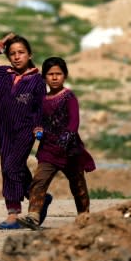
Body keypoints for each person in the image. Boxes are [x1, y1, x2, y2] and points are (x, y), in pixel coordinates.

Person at [18, 57, 96, 230]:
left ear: (65, 76)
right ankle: (33, 216)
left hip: (70, 150)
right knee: (39, 181)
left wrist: (68, 136)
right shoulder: (42, 99)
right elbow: (37, 119)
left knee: (78, 185)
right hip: (48, 150)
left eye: (58, 74)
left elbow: (74, 121)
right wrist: (37, 129)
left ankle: (85, 217)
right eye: (50, 74)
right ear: (44, 77)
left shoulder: (69, 96)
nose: (54, 77)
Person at [0, 32, 46, 230]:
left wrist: (39, 127)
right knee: (11, 166)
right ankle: (39, 198)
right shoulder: (1, 75)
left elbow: (40, 107)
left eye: (21, 52)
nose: (17, 57)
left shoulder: (37, 80)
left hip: (26, 129)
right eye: (12, 53)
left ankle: (13, 214)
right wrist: (0, 44)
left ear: (30, 54)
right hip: (4, 129)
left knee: (11, 167)